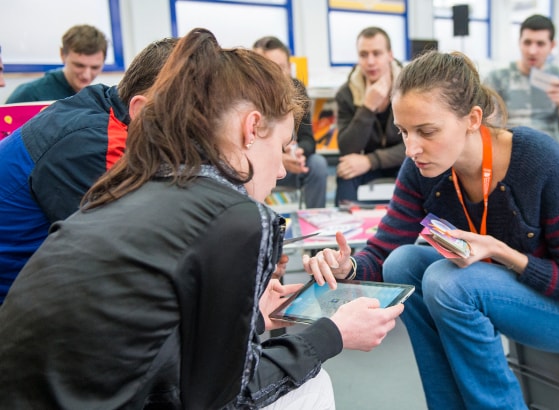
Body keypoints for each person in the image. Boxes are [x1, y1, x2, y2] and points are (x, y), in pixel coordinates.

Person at [0, 28, 404, 408]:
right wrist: (333, 333)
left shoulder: (135, 179)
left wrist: (252, 319)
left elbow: (146, 335)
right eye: (281, 147)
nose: (282, 170)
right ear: (251, 128)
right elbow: (229, 396)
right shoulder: (238, 215)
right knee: (313, 386)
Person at [303, 50, 559, 409]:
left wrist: (501, 251)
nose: (411, 148)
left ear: (472, 119)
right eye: (403, 131)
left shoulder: (538, 160)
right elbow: (383, 252)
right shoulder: (422, 166)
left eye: (426, 131)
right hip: (498, 288)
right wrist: (348, 267)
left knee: (450, 282)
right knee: (402, 263)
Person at [0, 38, 178, 304]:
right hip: (16, 299)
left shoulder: (101, 106)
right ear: (142, 106)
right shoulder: (97, 141)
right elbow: (126, 255)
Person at [485, 14, 559, 181]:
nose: (532, 51)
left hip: (553, 144)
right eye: (527, 42)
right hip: (510, 143)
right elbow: (488, 126)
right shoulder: (498, 77)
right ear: (519, 42)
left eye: (540, 44)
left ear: (552, 46)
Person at [253, 35, 328, 209]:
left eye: (281, 67)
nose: (276, 75)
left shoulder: (297, 89)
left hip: (291, 165)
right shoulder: (246, 96)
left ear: (289, 67)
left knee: (317, 164)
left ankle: (315, 222)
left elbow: (308, 139)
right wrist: (277, 158)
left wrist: (298, 154)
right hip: (258, 166)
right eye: (268, 68)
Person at [334, 26, 405, 205]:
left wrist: (370, 160)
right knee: (345, 171)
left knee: (422, 167)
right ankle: (343, 227)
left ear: (390, 55)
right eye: (364, 55)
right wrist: (367, 106)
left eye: (377, 53)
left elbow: (417, 145)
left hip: (404, 161)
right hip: (365, 165)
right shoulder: (347, 93)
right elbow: (347, 148)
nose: (370, 61)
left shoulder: (410, 88)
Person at [5, 24, 108, 103]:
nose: (86, 75)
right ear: (62, 54)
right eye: (79, 65)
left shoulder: (98, 99)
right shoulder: (29, 95)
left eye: (95, 67)